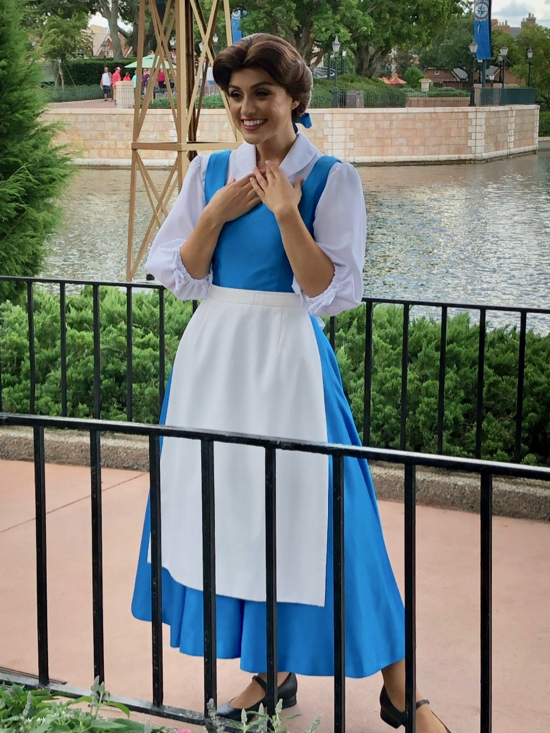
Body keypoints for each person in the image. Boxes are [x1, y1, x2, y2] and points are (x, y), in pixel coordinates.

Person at [131, 33, 451, 733]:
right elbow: (180, 273)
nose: (246, 108)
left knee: (338, 520)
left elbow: (326, 290)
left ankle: (406, 691)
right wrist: (217, 211)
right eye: (235, 95)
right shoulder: (210, 170)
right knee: (235, 518)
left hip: (288, 364)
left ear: (295, 99)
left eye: (262, 94)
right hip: (214, 363)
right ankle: (269, 675)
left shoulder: (333, 178)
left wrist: (283, 211)